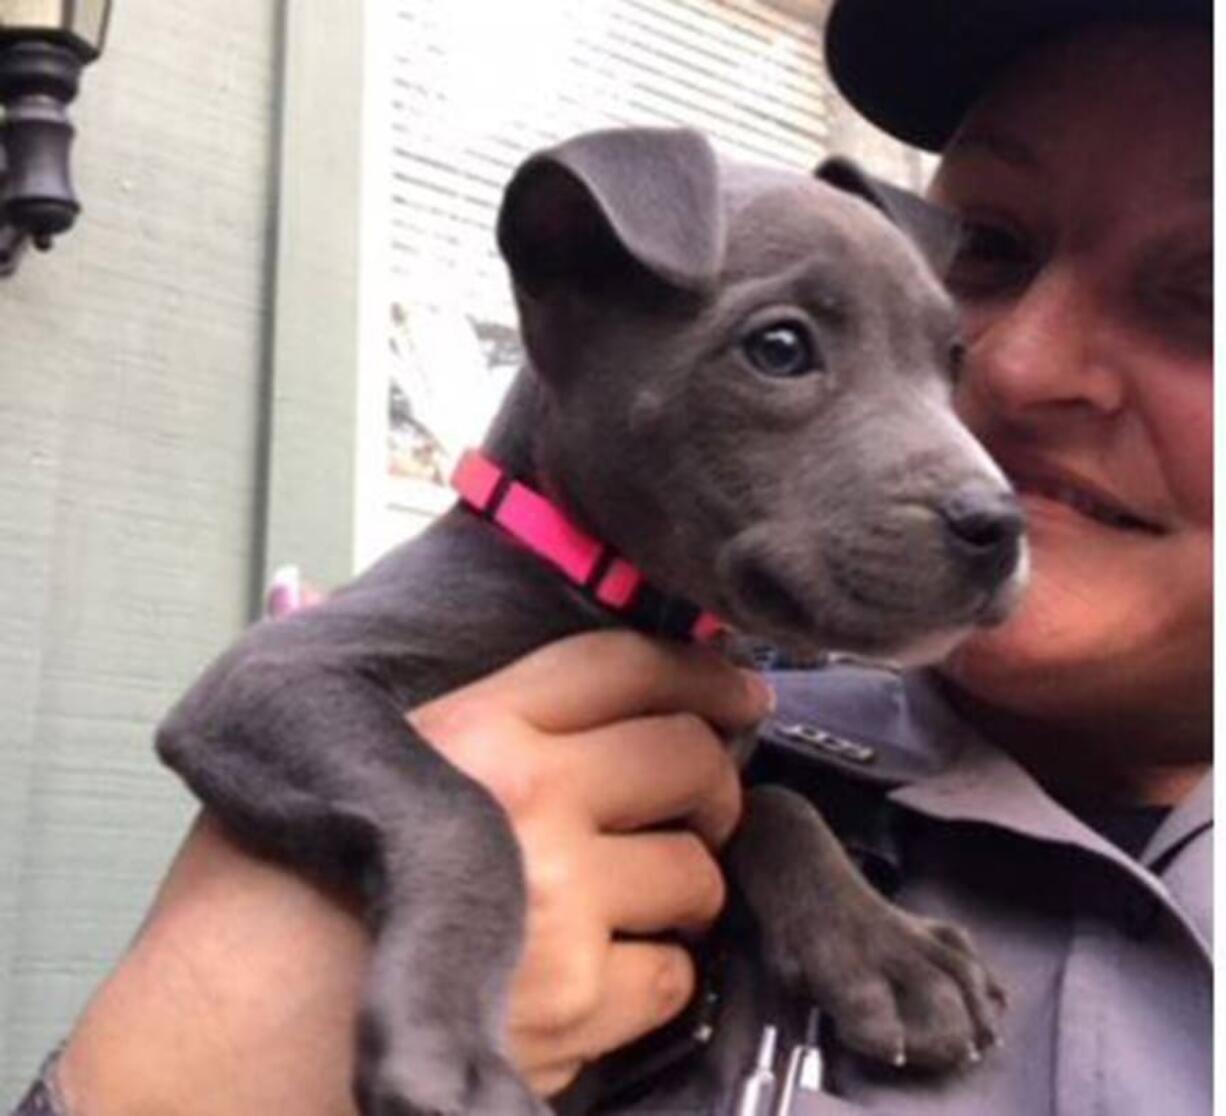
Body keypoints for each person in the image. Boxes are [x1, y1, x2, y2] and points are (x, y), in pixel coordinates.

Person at [14, 0, 1211, 1113]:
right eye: (786, 350)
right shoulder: (615, 624)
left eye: (1205, 294)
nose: (1000, 385)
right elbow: (243, 699)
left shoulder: (725, 658)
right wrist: (173, 1067)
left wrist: (774, 839)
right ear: (563, 283)